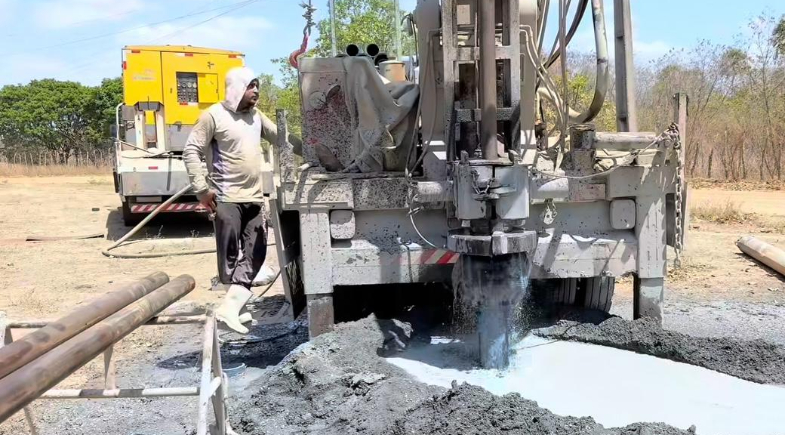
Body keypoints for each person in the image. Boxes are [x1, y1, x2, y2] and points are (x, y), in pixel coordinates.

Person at [183, 66, 301, 334]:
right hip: (225, 197)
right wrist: (201, 189)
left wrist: (315, 153)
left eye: (257, 85)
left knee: (256, 250)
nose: (256, 91)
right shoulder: (213, 116)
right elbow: (191, 151)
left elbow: (282, 139)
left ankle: (232, 307)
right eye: (251, 86)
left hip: (253, 197)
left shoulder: (256, 117)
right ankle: (235, 308)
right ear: (237, 88)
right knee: (230, 255)